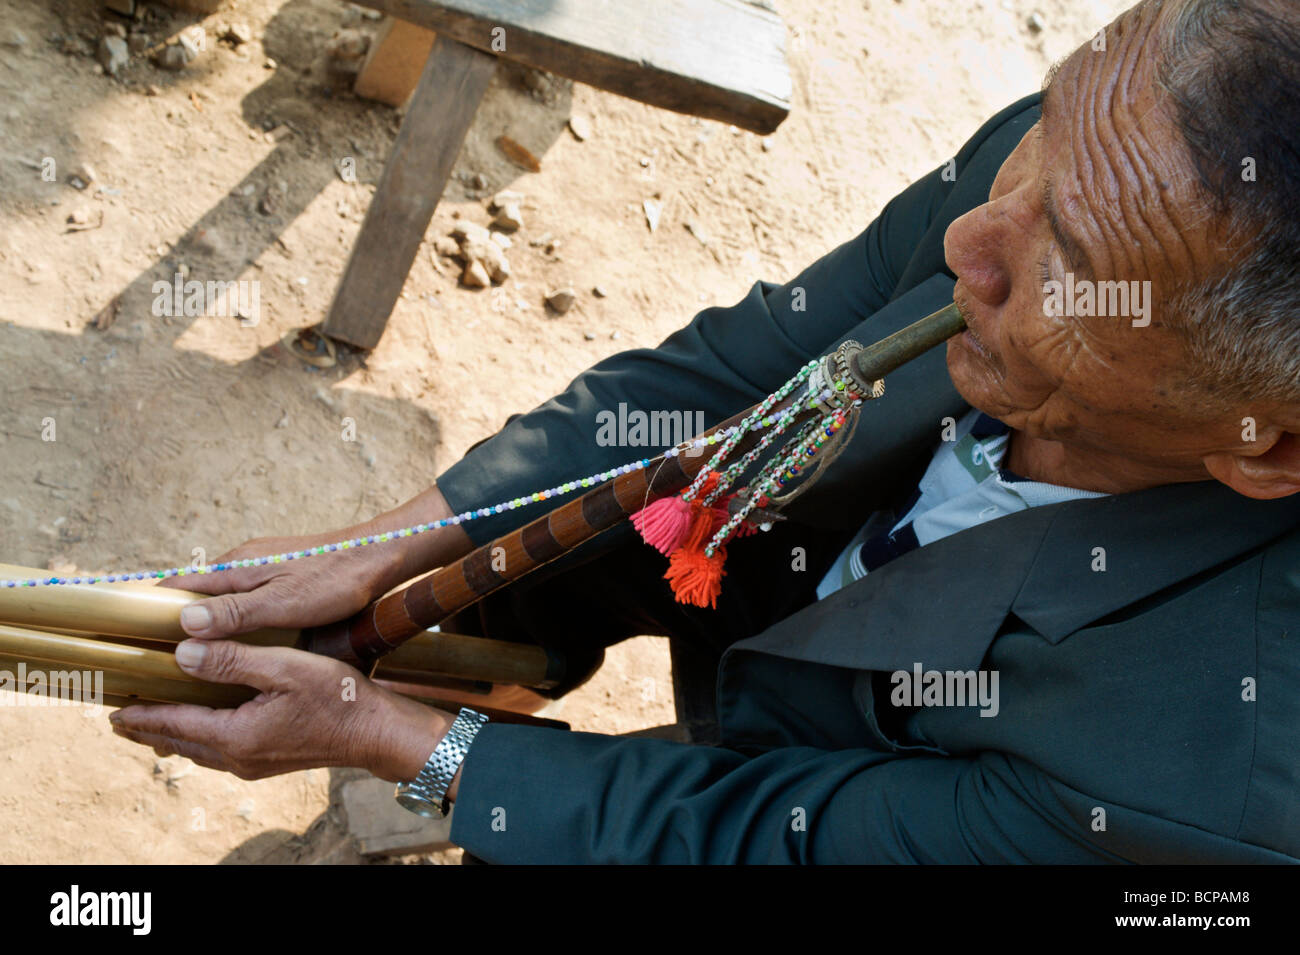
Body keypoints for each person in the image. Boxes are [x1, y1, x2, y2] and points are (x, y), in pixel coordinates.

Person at [112, 0, 1300, 863]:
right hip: (795, 574)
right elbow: (746, 366)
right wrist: (406, 539)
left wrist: (395, 744)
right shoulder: (1095, 163)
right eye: (1039, 135)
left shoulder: (1196, 789)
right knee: (509, 584)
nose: (969, 245)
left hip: (870, 794)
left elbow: (747, 835)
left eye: (1075, 266)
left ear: (1266, 447)